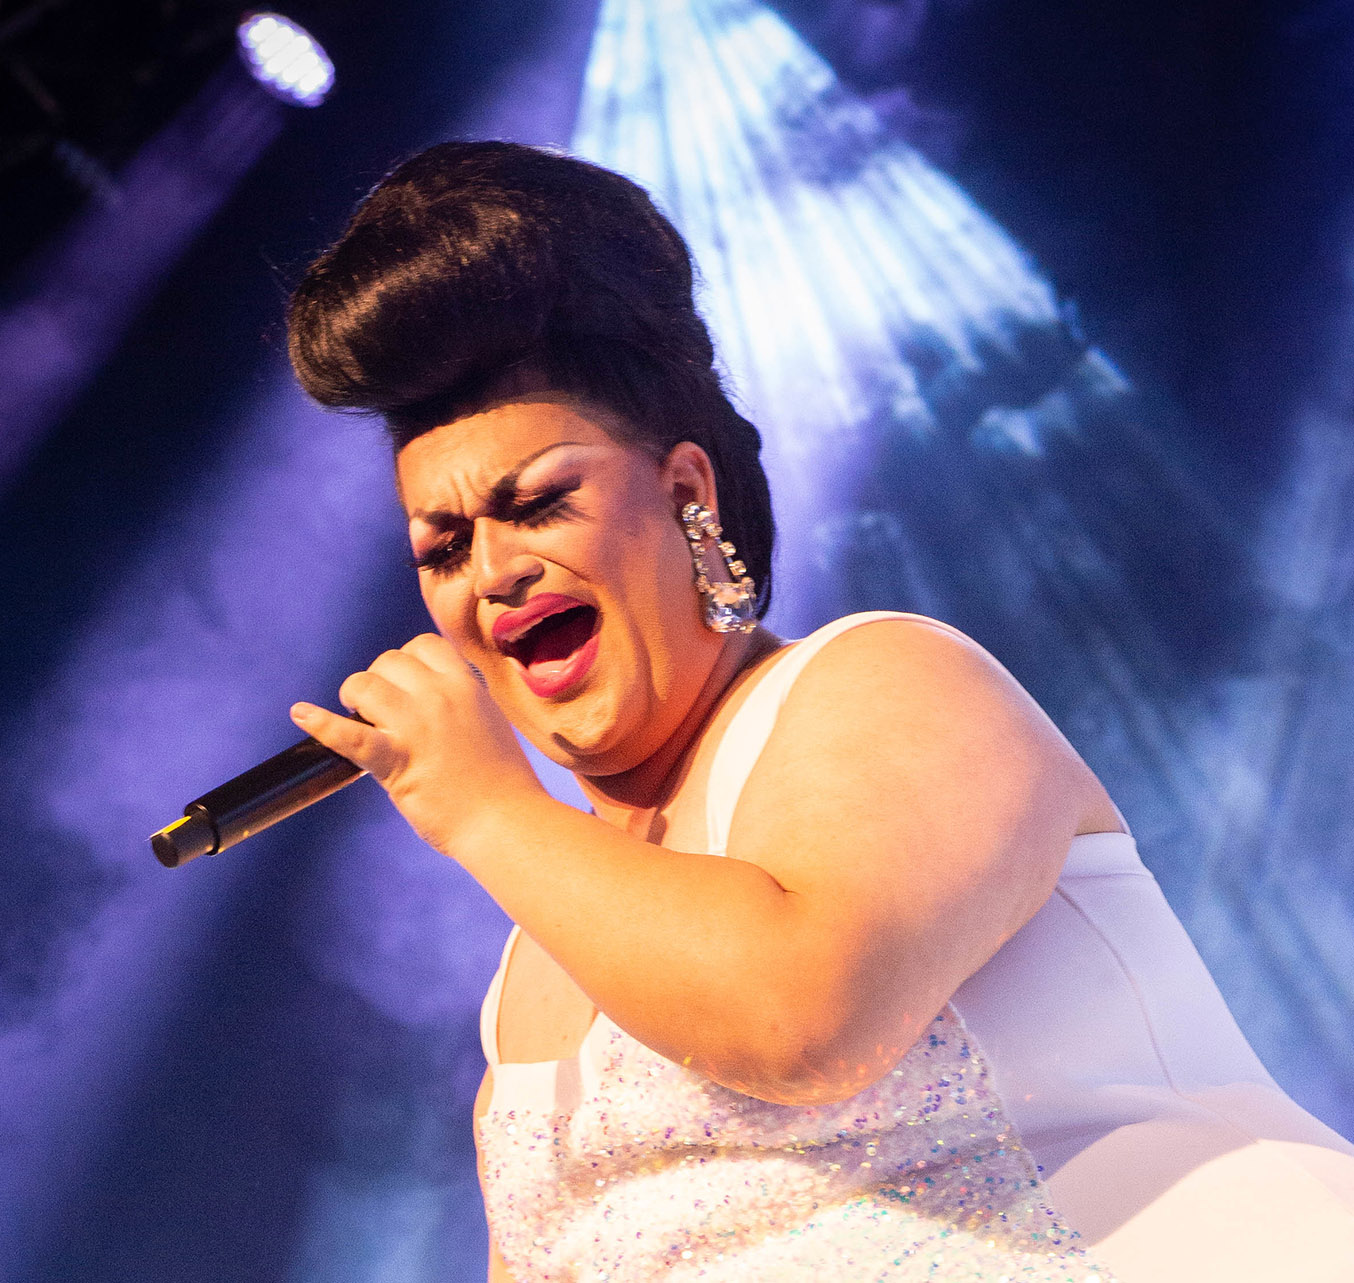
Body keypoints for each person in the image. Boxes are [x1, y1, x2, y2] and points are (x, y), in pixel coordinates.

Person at [284, 141, 1354, 1281]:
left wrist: (486, 811)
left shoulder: (885, 680)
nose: (491, 573)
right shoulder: (532, 971)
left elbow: (808, 1016)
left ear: (688, 492)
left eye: (539, 504)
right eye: (443, 548)